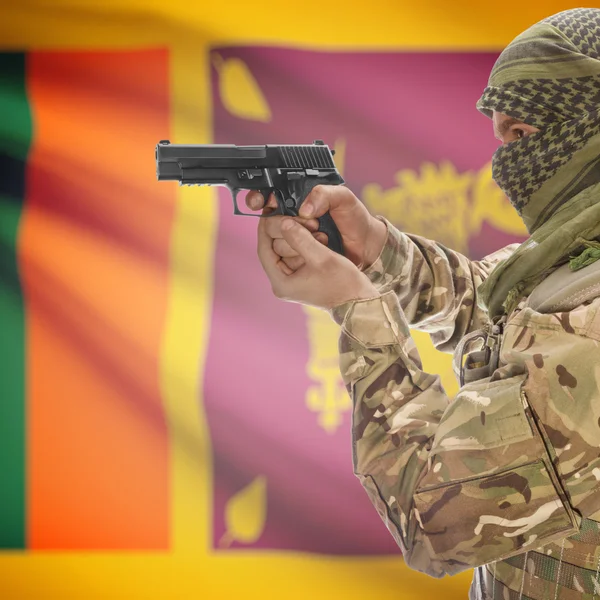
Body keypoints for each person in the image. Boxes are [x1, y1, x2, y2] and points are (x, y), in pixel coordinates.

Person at [246, 8, 600, 599]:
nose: (505, 163)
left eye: (522, 134)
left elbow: (434, 519)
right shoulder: (578, 255)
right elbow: (499, 305)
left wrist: (357, 308)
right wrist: (377, 249)